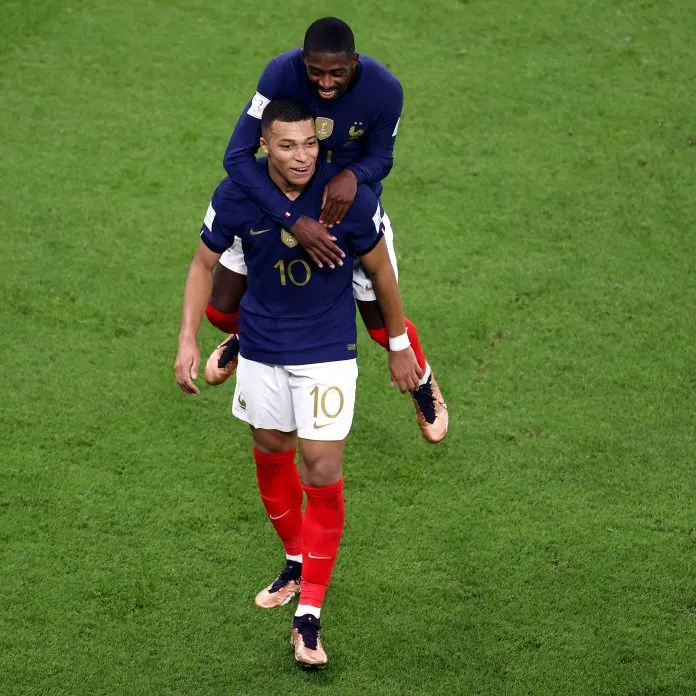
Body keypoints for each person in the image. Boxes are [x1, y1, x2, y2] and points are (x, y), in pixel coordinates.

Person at [174, 99, 422, 668]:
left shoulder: (343, 196)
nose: (302, 156)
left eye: (310, 143)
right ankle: (294, 559)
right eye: (287, 145)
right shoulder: (237, 194)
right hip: (262, 347)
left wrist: (401, 347)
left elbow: (381, 271)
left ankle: (308, 615)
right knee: (270, 448)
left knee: (321, 466)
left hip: (327, 352)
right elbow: (201, 266)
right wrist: (188, 339)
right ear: (264, 146)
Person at [202, 17, 448, 444]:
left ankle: (422, 377)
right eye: (316, 72)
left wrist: (353, 176)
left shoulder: (385, 89)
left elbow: (383, 158)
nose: (326, 83)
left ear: (355, 62)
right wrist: (293, 219)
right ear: (302, 61)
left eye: (338, 72)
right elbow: (237, 156)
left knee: (379, 324)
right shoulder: (280, 73)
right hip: (276, 209)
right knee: (220, 309)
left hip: (345, 216)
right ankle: (248, 336)